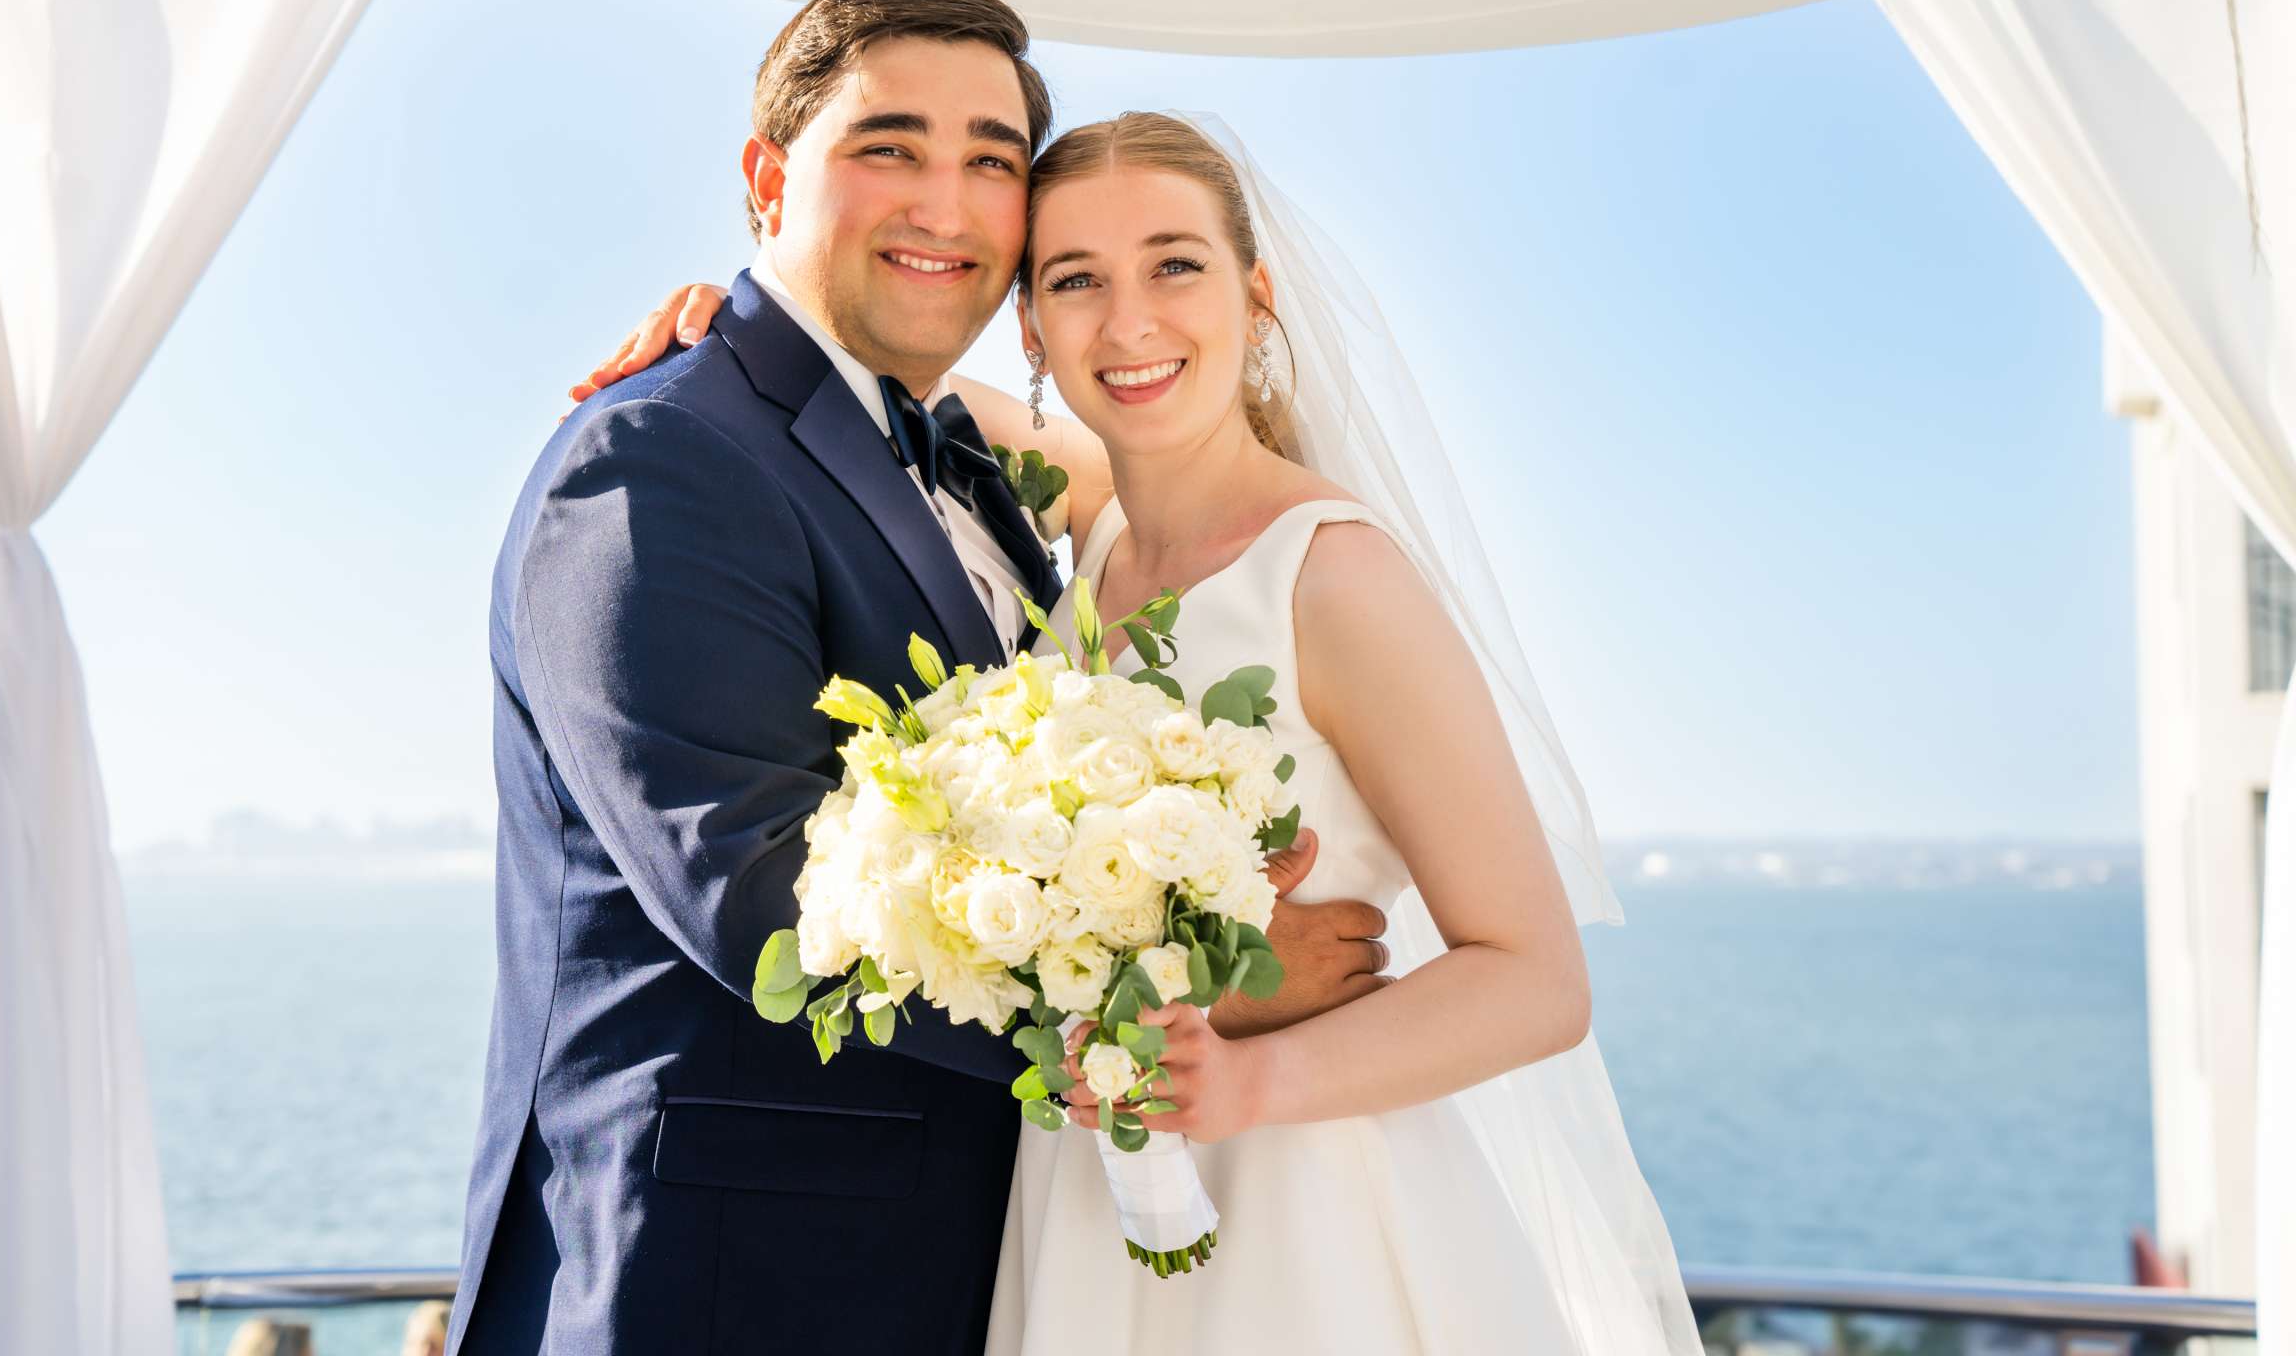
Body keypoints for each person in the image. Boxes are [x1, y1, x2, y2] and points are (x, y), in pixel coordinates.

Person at [582, 107, 1704, 1351]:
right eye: (1076, 280)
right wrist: (735, 320)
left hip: (1297, 1205)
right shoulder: (1100, 520)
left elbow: (1536, 982)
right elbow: (871, 377)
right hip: (1081, 1207)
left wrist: (1240, 1071)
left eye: (1176, 263)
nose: (1129, 323)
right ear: (1032, 326)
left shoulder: (1332, 578)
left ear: (1256, 293)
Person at [452, 0, 1390, 1356]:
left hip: (961, 1271)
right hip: (721, 1289)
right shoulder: (656, 460)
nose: (946, 206)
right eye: (889, 148)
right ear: (773, 175)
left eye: (991, 164)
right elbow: (757, 896)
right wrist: (1205, 986)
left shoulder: (962, 453)